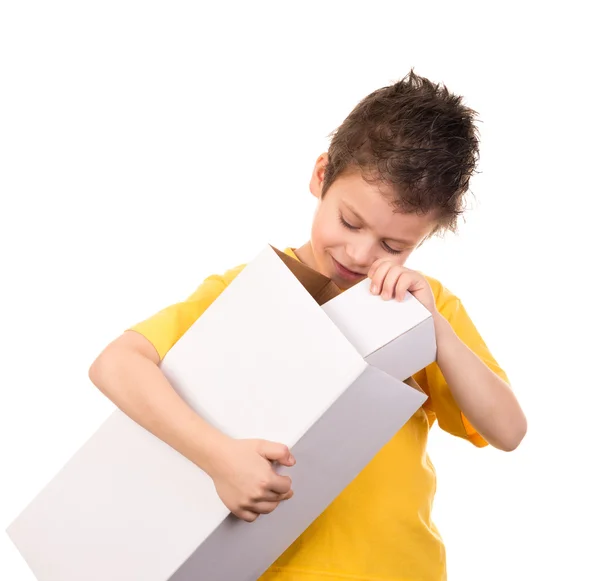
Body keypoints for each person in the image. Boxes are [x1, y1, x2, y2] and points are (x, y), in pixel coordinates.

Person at [89, 69, 527, 581]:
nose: (360, 254)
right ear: (321, 176)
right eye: (349, 222)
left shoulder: (423, 308)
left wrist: (436, 330)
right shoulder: (249, 291)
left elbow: (508, 431)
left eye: (394, 246)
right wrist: (219, 458)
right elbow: (116, 363)